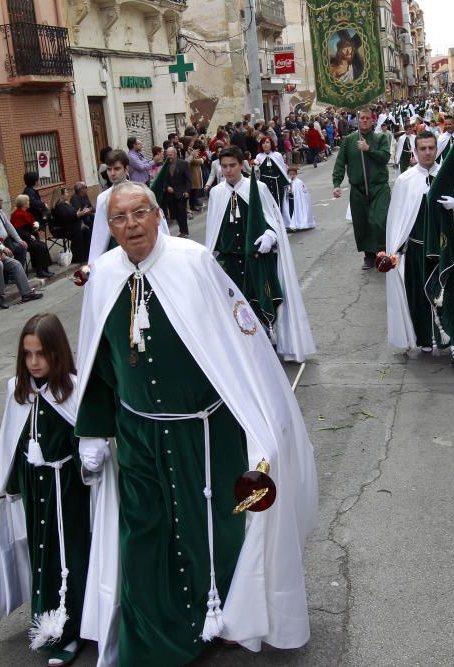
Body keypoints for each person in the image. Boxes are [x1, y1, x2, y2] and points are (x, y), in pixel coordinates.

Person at [72, 180, 317, 665]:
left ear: (158, 214)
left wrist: (259, 418)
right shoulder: (101, 275)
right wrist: (92, 430)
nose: (130, 225)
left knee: (219, 529)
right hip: (138, 434)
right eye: (119, 218)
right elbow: (97, 358)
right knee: (144, 534)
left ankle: (227, 615)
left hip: (205, 431)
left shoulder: (194, 262)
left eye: (139, 213)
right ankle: (154, 637)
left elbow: (237, 346)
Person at [0, 313, 91, 667]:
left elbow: (87, 443)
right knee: (42, 554)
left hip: (68, 491)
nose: (33, 362)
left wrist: (86, 460)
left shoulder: (74, 390)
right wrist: (12, 485)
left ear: (57, 353)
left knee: (70, 557)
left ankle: (70, 630)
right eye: (27, 354)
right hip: (35, 488)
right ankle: (46, 621)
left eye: (41, 354)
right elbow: (13, 440)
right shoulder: (18, 388)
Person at [383, 131, 454, 363]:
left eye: (431, 148)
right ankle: (425, 339)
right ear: (415, 152)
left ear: (437, 150)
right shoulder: (405, 181)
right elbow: (398, 220)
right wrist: (393, 252)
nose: (427, 152)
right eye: (423, 148)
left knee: (452, 295)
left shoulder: (449, 176)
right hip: (416, 250)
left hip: (445, 249)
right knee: (418, 298)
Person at [205, 147, 315, 362]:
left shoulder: (257, 188)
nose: (228, 171)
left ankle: (265, 341)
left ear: (241, 165)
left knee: (259, 301)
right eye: (224, 166)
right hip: (230, 260)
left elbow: (273, 222)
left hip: (256, 258)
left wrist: (269, 236)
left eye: (232, 165)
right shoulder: (216, 193)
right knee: (235, 305)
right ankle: (244, 345)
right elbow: (213, 228)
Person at [332, 108, 392, 269]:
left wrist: (368, 149)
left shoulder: (381, 138)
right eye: (362, 118)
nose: (364, 120)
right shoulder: (349, 141)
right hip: (358, 189)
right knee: (362, 223)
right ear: (358, 121)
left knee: (379, 220)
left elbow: (385, 157)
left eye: (367, 118)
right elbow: (340, 163)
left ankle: (382, 252)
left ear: (372, 120)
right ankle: (369, 255)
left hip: (379, 187)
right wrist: (337, 184)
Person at [10, 195, 54, 278]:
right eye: (28, 201)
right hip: (23, 240)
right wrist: (30, 235)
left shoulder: (25, 213)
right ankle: (40, 271)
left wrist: (35, 228)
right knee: (40, 246)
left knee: (42, 245)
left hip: (28, 238)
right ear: (24, 204)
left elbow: (29, 227)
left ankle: (44, 268)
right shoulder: (18, 214)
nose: (29, 203)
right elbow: (18, 230)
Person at [0, 193, 28, 267]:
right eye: (1, 200)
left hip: (7, 241)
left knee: (21, 247)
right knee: (8, 254)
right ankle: (11, 273)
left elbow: (9, 225)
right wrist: (2, 248)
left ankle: (17, 272)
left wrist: (19, 240)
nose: (2, 202)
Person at [255, 135, 290, 208]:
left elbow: (282, 169)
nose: (265, 144)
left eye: (267, 142)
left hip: (277, 183)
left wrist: (286, 183)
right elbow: (257, 172)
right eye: (263, 143)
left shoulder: (277, 155)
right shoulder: (259, 156)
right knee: (267, 203)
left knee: (278, 202)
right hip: (264, 182)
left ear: (271, 144)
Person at [282, 166, 315, 232]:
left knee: (297, 211)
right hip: (290, 200)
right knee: (290, 212)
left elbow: (302, 192)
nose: (292, 176)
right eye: (290, 174)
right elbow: (285, 191)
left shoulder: (299, 182)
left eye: (293, 174)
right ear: (288, 174)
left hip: (297, 201)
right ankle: (290, 224)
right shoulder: (287, 181)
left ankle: (299, 224)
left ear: (296, 174)